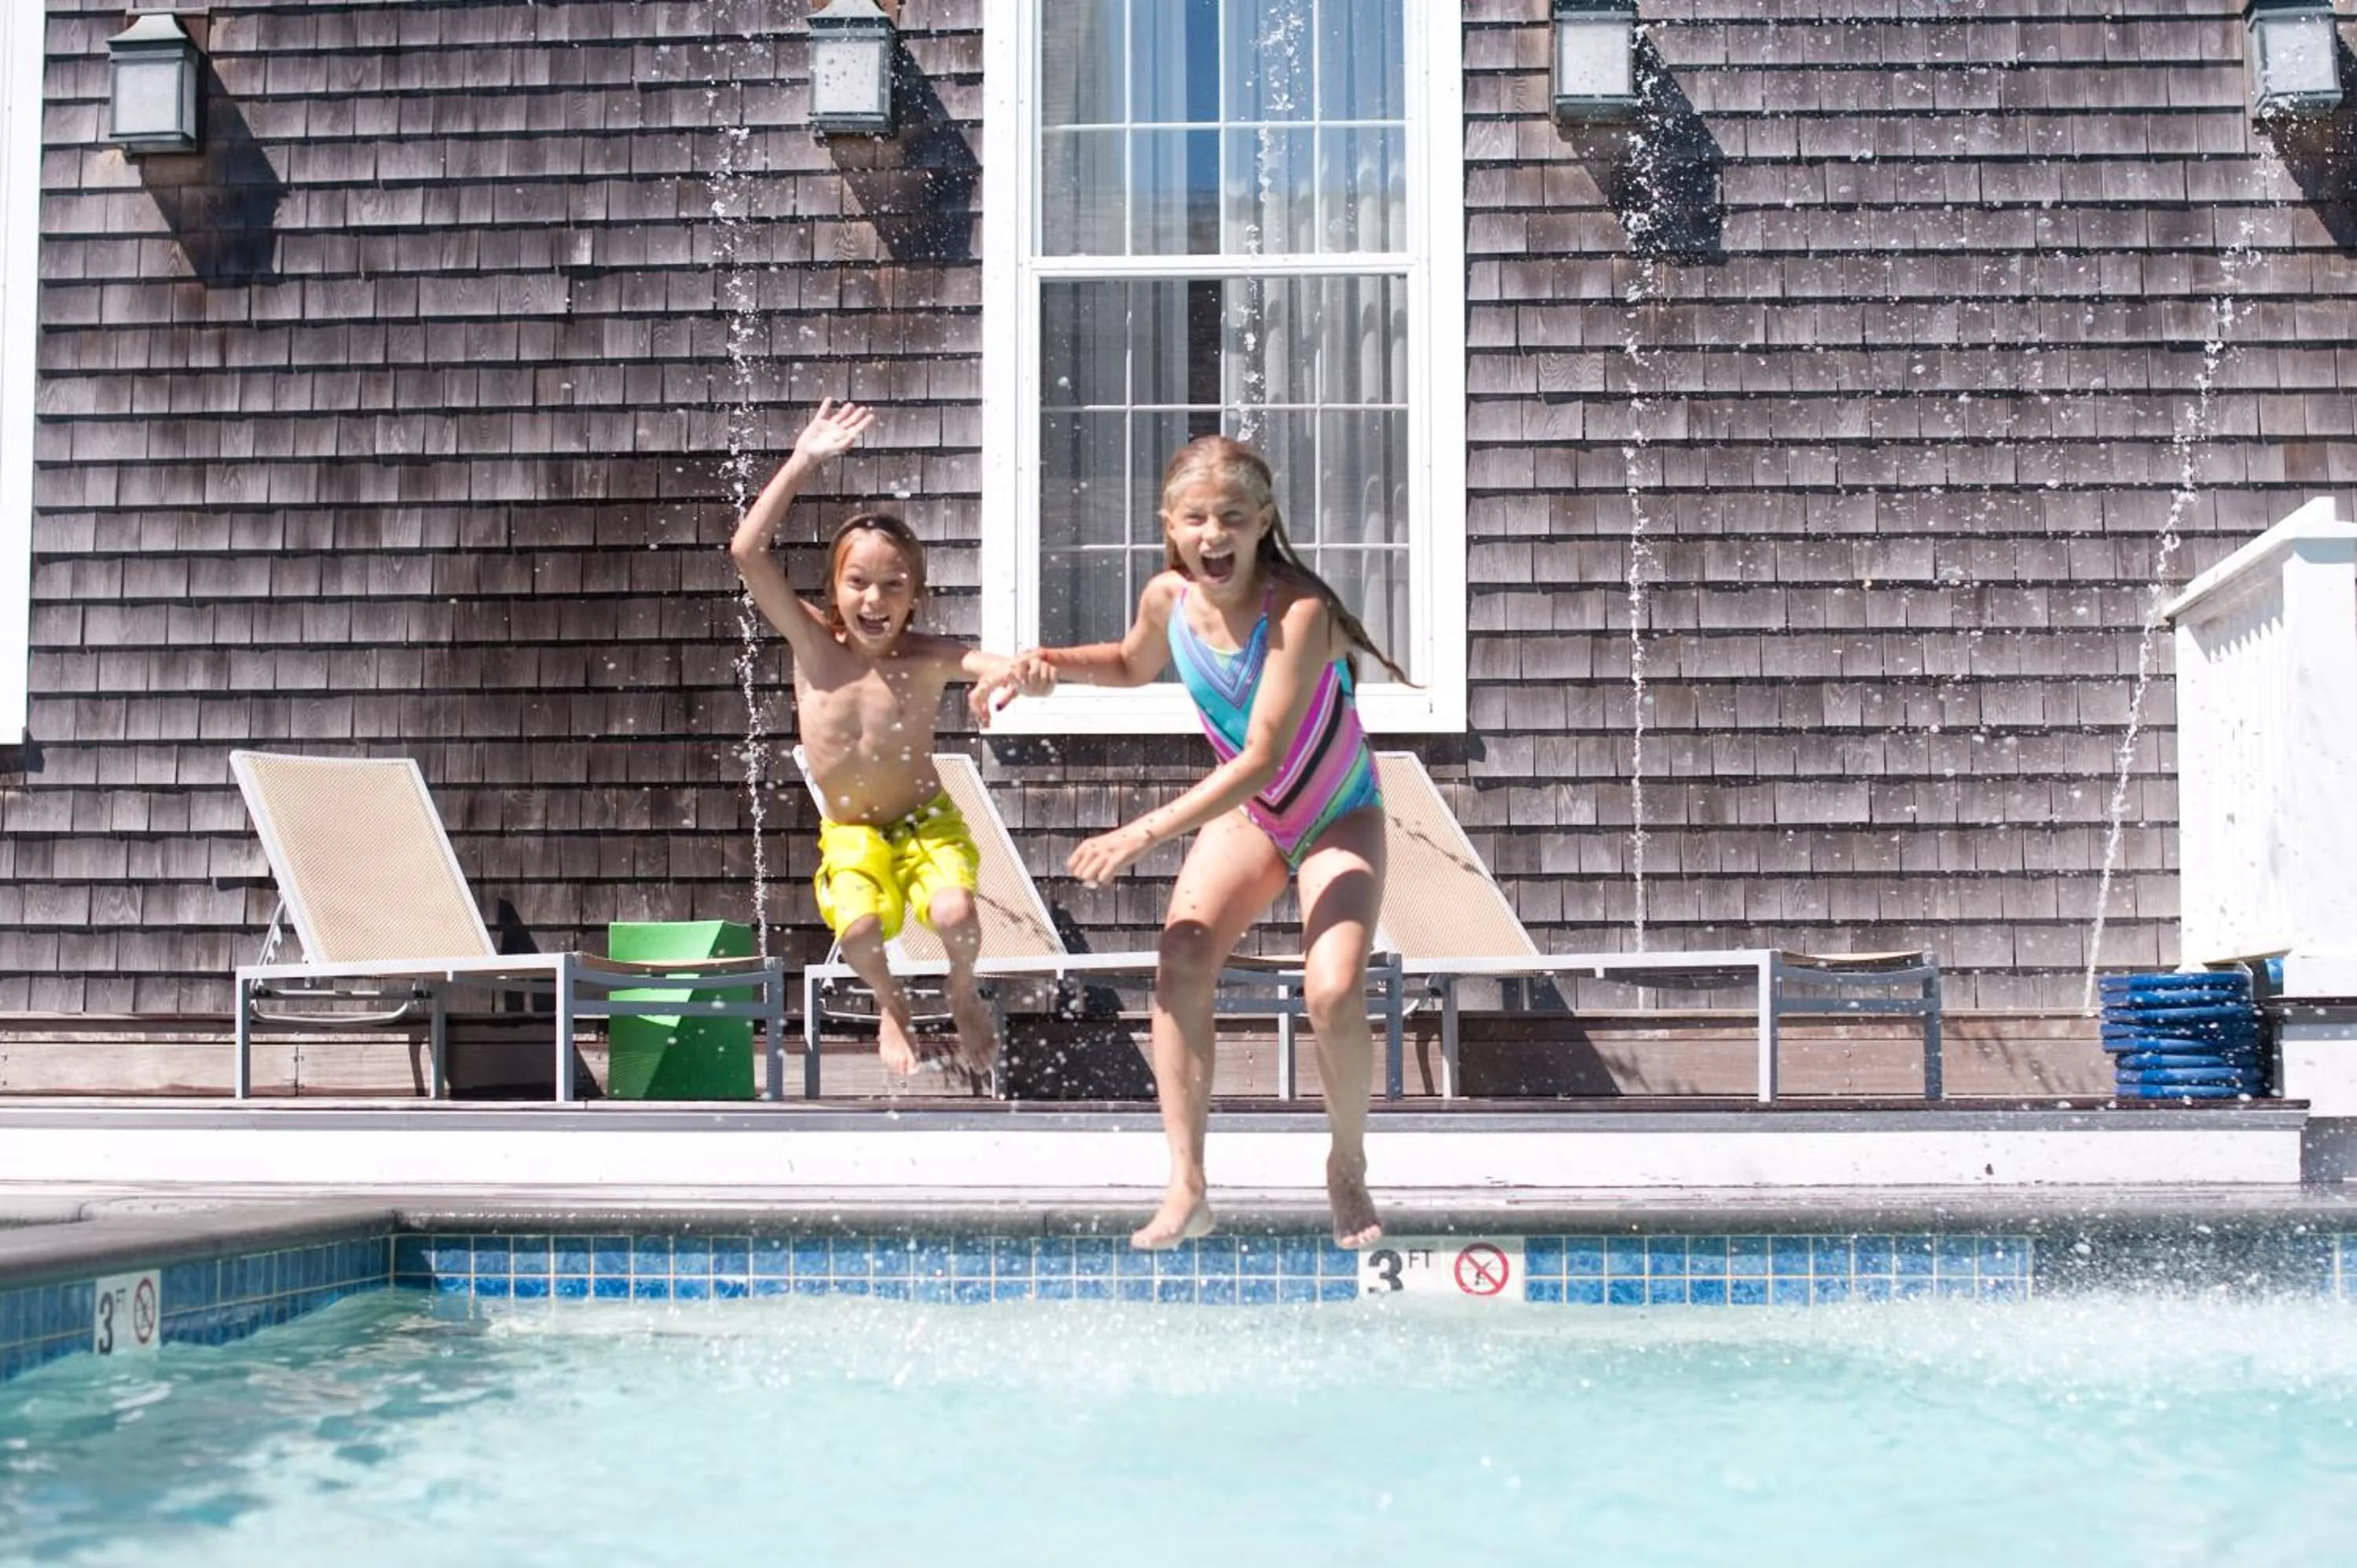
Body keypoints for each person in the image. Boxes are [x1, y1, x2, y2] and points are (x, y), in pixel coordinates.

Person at [979, 434, 1409, 1251]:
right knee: (1179, 958)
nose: (1215, 534)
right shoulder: (1166, 600)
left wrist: (1142, 830)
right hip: (1257, 820)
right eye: (1197, 519)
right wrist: (1043, 664)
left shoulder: (1301, 611)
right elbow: (1130, 663)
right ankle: (1188, 1184)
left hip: (1336, 811)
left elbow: (1263, 758)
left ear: (1264, 523)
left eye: (1234, 518)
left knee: (1333, 990)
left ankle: (1347, 1166)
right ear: (1171, 526)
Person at [731, 398, 1046, 1083]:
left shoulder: (925, 655)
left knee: (956, 910)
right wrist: (802, 463)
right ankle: (892, 1005)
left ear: (915, 596)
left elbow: (999, 664)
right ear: (834, 590)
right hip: (852, 832)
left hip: (927, 822)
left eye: (893, 586)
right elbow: (746, 553)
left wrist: (1007, 682)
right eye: (858, 583)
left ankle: (961, 989)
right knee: (861, 929)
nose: (874, 600)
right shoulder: (813, 642)